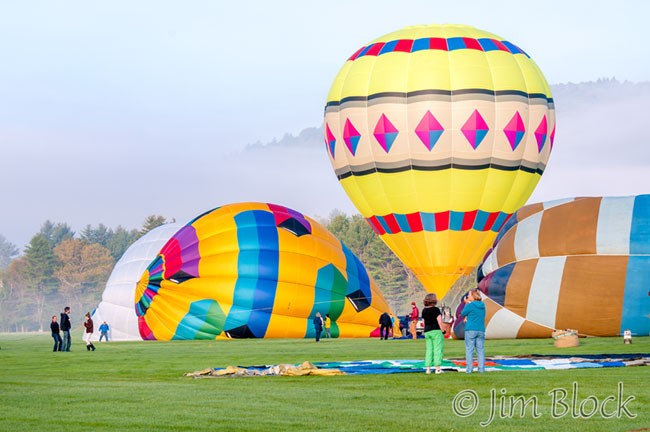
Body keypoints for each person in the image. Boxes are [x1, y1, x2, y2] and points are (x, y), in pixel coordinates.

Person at [461, 289, 486, 373]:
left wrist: (466, 303)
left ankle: (469, 369)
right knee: (480, 350)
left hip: (470, 329)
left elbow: (463, 314)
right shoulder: (482, 305)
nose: (468, 296)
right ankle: (481, 369)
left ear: (473, 296)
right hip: (481, 329)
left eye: (469, 295)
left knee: (469, 350)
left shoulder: (470, 305)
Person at [422, 293, 445, 375]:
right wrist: (443, 330)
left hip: (427, 331)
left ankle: (428, 369)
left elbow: (423, 322)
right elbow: (440, 321)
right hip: (436, 331)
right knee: (437, 349)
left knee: (429, 349)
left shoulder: (424, 310)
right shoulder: (436, 310)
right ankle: (437, 368)